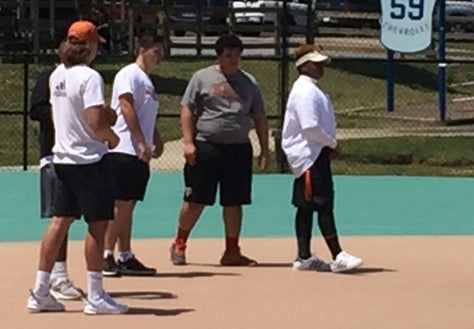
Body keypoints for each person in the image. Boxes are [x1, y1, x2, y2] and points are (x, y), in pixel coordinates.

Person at [26, 20, 128, 314]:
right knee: (97, 225)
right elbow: (95, 123)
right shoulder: (90, 76)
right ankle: (95, 296)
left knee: (59, 221)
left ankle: (40, 291)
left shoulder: (57, 74)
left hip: (62, 158)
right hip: (89, 160)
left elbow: (73, 113)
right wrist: (113, 138)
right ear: (91, 46)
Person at [169, 34, 269, 266]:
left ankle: (232, 251)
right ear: (219, 56)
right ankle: (179, 242)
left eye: (237, 55)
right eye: (228, 55)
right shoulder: (202, 77)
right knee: (196, 200)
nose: (233, 60)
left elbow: (259, 116)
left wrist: (264, 149)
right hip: (206, 147)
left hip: (238, 149)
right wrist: (188, 141)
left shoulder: (249, 82)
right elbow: (187, 109)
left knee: (234, 202)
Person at [281, 44, 363, 272]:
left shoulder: (309, 89)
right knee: (322, 204)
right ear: (304, 66)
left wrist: (327, 146)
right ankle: (338, 255)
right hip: (310, 156)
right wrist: (332, 143)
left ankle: (304, 257)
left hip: (313, 154)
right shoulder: (306, 92)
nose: (321, 67)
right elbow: (310, 127)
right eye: (316, 64)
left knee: (306, 207)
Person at [103, 35, 164, 276]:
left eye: (161, 52)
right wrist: (139, 140)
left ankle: (125, 255)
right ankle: (106, 255)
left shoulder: (147, 81)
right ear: (141, 49)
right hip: (124, 149)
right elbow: (126, 106)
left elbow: (145, 114)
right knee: (120, 204)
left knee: (129, 205)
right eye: (155, 51)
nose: (159, 57)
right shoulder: (129, 73)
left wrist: (155, 139)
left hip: (139, 152)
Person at [29, 46, 81, 300]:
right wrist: (60, 109)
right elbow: (35, 110)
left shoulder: (84, 77)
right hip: (53, 154)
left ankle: (57, 276)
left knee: (68, 217)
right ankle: (55, 278)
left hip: (77, 156)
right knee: (61, 217)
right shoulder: (49, 76)